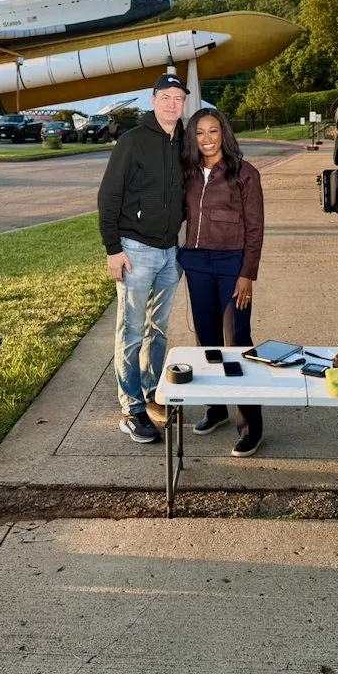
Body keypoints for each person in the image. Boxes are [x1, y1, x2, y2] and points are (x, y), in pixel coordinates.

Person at [97, 73, 189, 443]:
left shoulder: (183, 141)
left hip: (170, 251)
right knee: (132, 330)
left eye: (178, 98)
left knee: (160, 329)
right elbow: (108, 197)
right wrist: (112, 249)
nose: (172, 103)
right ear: (153, 100)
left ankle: (153, 392)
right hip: (134, 249)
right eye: (165, 97)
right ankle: (131, 407)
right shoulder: (132, 141)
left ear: (184, 103)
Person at [179, 107, 266, 456]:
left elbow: (255, 229)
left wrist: (247, 274)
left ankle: (250, 426)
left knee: (237, 341)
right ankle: (215, 409)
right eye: (199, 133)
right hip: (197, 264)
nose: (207, 139)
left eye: (212, 131)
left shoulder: (245, 174)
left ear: (224, 134)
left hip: (232, 266)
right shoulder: (188, 173)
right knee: (207, 340)